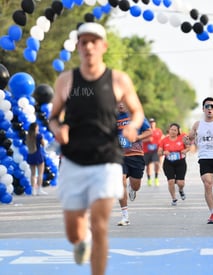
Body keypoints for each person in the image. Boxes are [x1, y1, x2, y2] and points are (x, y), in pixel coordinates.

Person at [49, 22, 145, 275]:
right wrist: (59, 129)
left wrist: (133, 126)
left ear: (104, 46)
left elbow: (137, 112)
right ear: (78, 47)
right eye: (84, 42)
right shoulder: (66, 80)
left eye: (94, 41)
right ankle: (82, 241)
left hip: (107, 160)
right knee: (74, 231)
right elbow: (53, 116)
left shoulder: (118, 80)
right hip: (73, 161)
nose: (89, 46)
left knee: (101, 225)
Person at [116, 102, 152, 226]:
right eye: (117, 103)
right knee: (120, 182)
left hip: (136, 155)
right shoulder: (111, 116)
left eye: (122, 103)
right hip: (119, 156)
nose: (120, 105)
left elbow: (149, 131)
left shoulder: (136, 116)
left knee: (136, 186)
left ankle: (133, 188)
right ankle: (125, 216)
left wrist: (137, 137)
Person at [158, 123, 190, 206]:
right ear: (169, 130)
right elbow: (159, 152)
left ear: (178, 131)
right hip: (168, 163)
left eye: (175, 130)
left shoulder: (182, 138)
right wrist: (164, 152)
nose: (172, 132)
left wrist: (185, 151)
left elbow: (188, 147)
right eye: (171, 129)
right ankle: (174, 198)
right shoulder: (164, 140)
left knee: (180, 183)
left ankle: (181, 190)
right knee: (171, 181)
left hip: (180, 162)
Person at [26, 122, 47, 196]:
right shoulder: (39, 136)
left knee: (33, 174)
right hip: (38, 155)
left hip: (31, 154)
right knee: (40, 173)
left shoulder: (28, 136)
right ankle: (39, 189)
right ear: (35, 128)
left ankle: (33, 190)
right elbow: (43, 144)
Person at [143, 118, 164, 186]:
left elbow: (162, 139)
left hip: (156, 151)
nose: (152, 123)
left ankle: (156, 178)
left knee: (156, 163)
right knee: (148, 166)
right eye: (150, 122)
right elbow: (140, 139)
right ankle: (149, 179)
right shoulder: (145, 131)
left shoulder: (158, 131)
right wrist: (148, 139)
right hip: (147, 150)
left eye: (153, 122)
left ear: (155, 123)